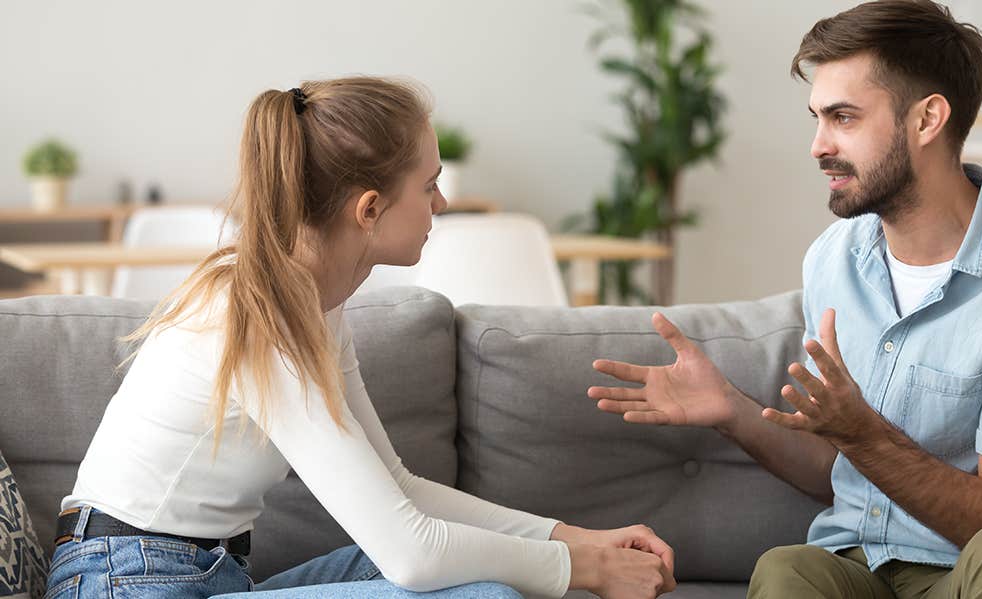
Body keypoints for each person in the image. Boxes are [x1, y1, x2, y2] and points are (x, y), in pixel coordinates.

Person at [45, 76, 675, 599]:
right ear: (369, 210)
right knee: (484, 593)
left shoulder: (314, 305)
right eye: (428, 185)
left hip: (206, 576)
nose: (443, 203)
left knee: (478, 573)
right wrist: (590, 574)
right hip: (124, 581)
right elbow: (412, 555)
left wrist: (580, 539)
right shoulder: (264, 315)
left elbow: (399, 489)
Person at [587, 2, 982, 597]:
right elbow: (834, 469)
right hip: (858, 565)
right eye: (817, 117)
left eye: (843, 117)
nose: (817, 145)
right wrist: (731, 410)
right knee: (785, 570)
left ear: (927, 120)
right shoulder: (834, 258)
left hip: (974, 574)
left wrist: (861, 433)